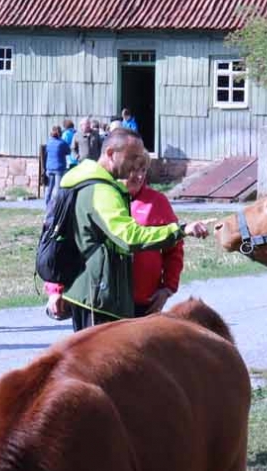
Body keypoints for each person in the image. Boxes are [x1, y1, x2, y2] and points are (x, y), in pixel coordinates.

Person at [55, 129, 206, 330]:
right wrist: (180, 230)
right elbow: (128, 236)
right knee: (107, 362)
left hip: (100, 297)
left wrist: (167, 287)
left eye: (141, 161)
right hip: (100, 299)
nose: (136, 165)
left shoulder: (83, 181)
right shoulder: (101, 190)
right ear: (110, 154)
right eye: (132, 157)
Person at [123, 160, 183, 316]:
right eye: (133, 170)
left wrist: (168, 288)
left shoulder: (157, 201)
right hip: (106, 301)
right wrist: (56, 290)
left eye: (143, 170)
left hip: (145, 302)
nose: (139, 176)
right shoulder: (103, 199)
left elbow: (174, 248)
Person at [42, 124, 68, 208]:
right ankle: (56, 205)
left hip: (49, 167)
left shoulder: (49, 142)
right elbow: (68, 151)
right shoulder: (62, 143)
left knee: (49, 187)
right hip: (59, 167)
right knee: (57, 188)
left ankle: (47, 203)